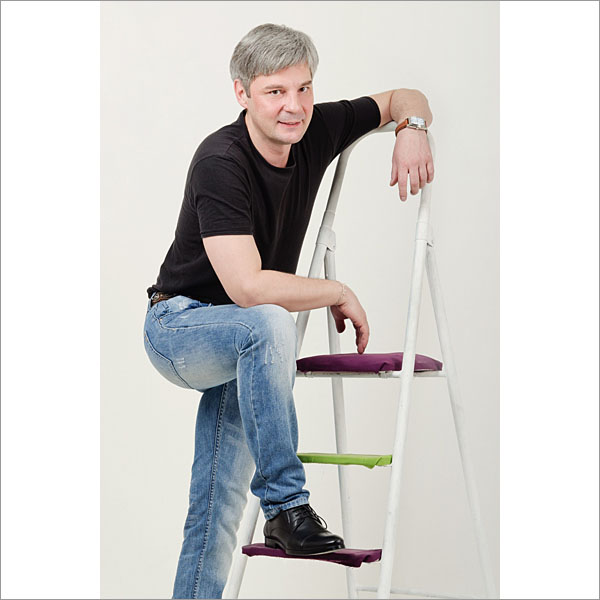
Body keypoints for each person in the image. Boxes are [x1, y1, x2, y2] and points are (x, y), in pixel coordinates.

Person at [144, 23, 434, 599]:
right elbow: (249, 288)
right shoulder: (220, 161)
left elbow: (404, 97)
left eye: (304, 88)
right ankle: (285, 507)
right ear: (242, 93)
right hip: (180, 327)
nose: (294, 107)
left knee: (217, 508)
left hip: (248, 342)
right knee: (270, 319)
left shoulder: (315, 127)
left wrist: (413, 129)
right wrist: (335, 289)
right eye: (275, 92)